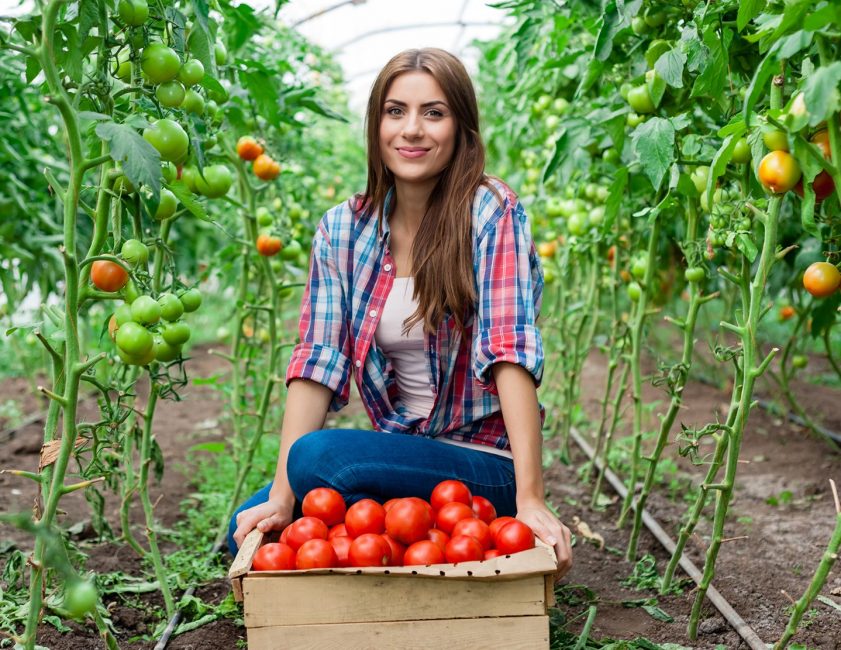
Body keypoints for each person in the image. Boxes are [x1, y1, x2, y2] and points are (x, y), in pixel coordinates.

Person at [229, 47, 572, 578]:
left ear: (461, 127)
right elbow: (317, 362)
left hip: (482, 465)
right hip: (401, 453)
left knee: (321, 460)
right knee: (250, 525)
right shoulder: (343, 230)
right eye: (396, 111)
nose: (412, 129)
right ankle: (412, 532)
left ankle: (441, 521)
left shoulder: (491, 212)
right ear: (376, 124)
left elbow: (510, 352)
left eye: (434, 113)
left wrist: (530, 498)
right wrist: (280, 497)